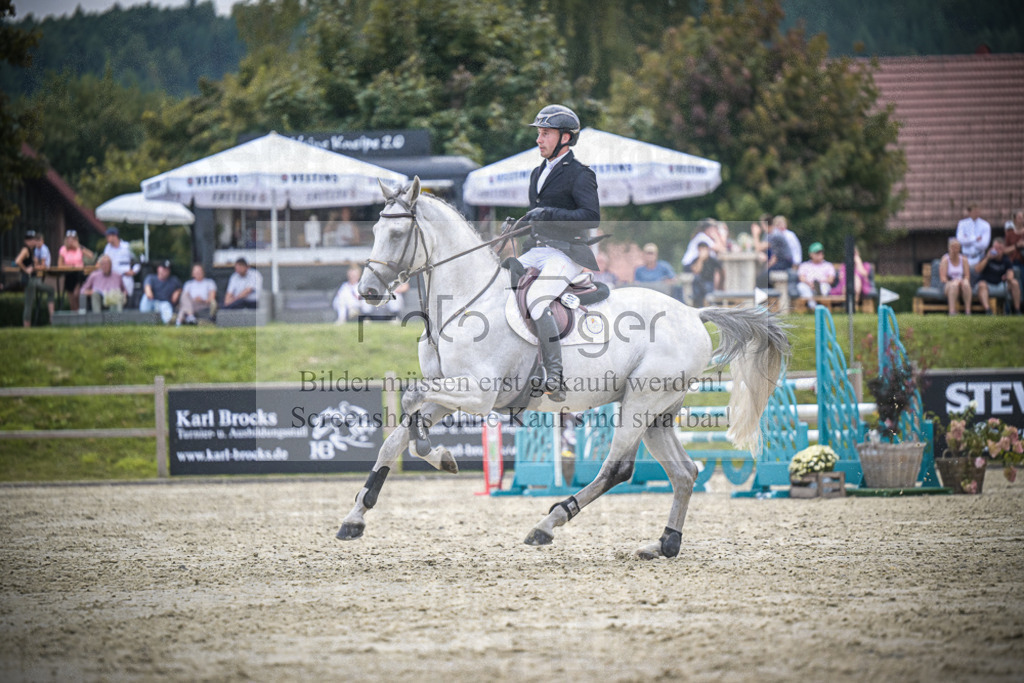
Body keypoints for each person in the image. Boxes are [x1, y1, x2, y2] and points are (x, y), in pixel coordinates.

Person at [515, 104, 600, 402]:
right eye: (539, 133)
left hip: (565, 255)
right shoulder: (537, 173)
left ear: (565, 138)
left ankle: (555, 375)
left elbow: (591, 217)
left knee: (537, 300)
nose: (539, 139)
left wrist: (549, 212)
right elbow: (536, 218)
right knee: (496, 280)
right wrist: (519, 225)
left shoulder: (580, 174)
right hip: (538, 251)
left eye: (545, 133)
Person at [15, 231, 56, 327]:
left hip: (34, 280)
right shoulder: (26, 249)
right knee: (28, 304)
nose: (35, 241)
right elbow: (17, 261)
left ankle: (52, 318)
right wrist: (26, 270)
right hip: (29, 280)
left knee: (50, 290)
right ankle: (26, 327)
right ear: (28, 241)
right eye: (33, 239)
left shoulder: (32, 250)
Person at [974, 238, 1021, 315]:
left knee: (1015, 283)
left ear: (1003, 250)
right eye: (996, 248)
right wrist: (988, 258)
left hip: (1000, 285)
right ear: (992, 248)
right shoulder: (986, 257)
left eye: (1000, 249)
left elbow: (1010, 274)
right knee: (982, 285)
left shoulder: (1006, 260)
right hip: (987, 285)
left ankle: (1017, 310)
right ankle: (988, 310)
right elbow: (977, 270)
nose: (997, 251)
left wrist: (1007, 277)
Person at [57, 230, 95, 313]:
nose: (70, 241)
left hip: (79, 274)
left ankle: (79, 312)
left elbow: (91, 256)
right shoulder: (63, 249)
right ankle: (73, 313)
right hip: (69, 274)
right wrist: (69, 266)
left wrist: (79, 247)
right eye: (69, 239)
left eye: (73, 239)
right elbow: (60, 265)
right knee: (71, 296)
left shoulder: (80, 248)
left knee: (76, 294)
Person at [752, 215, 793, 289]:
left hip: (784, 263)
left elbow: (759, 248)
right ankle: (769, 298)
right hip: (781, 262)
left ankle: (763, 300)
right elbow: (773, 253)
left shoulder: (774, 235)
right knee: (764, 278)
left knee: (760, 279)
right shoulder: (772, 233)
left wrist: (755, 234)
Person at [793, 242, 836, 310]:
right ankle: (813, 307)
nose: (819, 255)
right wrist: (810, 284)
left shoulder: (828, 265)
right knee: (801, 286)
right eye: (817, 253)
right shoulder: (804, 265)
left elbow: (831, 279)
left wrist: (819, 283)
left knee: (824, 287)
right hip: (808, 285)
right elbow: (801, 278)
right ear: (811, 254)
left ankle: (821, 304)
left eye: (821, 252)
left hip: (822, 284)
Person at [139, 260, 182, 324]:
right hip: (152, 301)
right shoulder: (151, 278)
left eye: (167, 269)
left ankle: (169, 322)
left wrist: (178, 292)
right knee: (145, 297)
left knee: (166, 305)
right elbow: (147, 290)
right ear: (158, 269)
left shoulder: (174, 280)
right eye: (164, 268)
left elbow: (182, 288)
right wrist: (148, 291)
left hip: (164, 303)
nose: (165, 271)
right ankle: (142, 320)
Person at [939, 238, 972, 315]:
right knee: (954, 285)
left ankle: (968, 311)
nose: (955, 250)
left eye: (957, 247)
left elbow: (967, 276)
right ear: (949, 248)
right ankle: (952, 312)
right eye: (953, 247)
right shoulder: (945, 259)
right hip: (948, 285)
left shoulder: (964, 259)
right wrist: (953, 282)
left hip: (961, 284)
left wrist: (962, 281)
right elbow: (943, 278)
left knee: (966, 284)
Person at [101, 227, 136, 299]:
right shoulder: (107, 248)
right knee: (112, 299)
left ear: (115, 236)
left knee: (126, 298)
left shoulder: (127, 246)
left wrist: (134, 271)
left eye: (108, 236)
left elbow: (140, 259)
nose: (107, 238)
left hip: (125, 277)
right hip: (112, 278)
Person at [689, 242, 722, 307]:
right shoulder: (696, 260)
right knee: (696, 279)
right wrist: (701, 260)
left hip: (709, 283)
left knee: (707, 291)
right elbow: (696, 271)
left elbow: (721, 271)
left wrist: (720, 284)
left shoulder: (713, 260)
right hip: (699, 285)